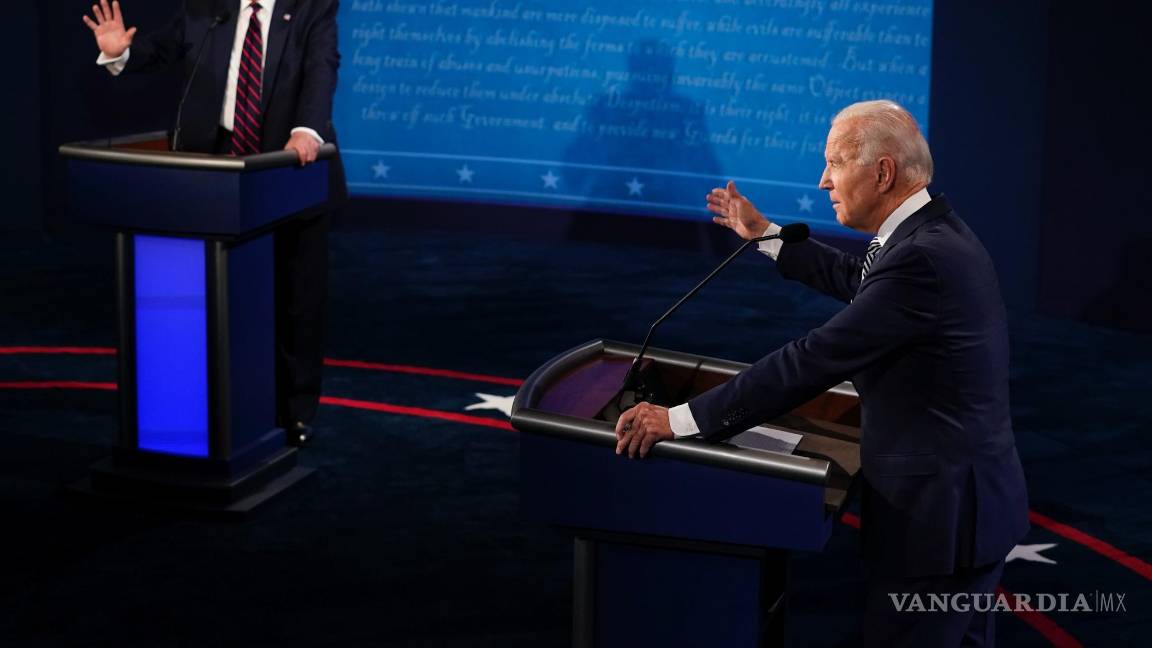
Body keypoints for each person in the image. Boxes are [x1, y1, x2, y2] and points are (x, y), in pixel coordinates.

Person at [614, 100, 1029, 646]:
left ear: (882, 172)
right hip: (965, 510)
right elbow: (861, 278)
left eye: (835, 163)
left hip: (939, 524)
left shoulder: (922, 259)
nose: (823, 179)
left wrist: (682, 421)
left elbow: (812, 359)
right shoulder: (930, 235)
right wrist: (765, 234)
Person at [84, 0, 346, 445]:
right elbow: (161, 49)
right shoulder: (208, 7)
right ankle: (225, 400)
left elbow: (322, 66)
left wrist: (308, 128)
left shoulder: (310, 7)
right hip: (219, 177)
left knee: (297, 299)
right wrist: (120, 53)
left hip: (289, 171)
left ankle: (296, 410)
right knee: (221, 298)